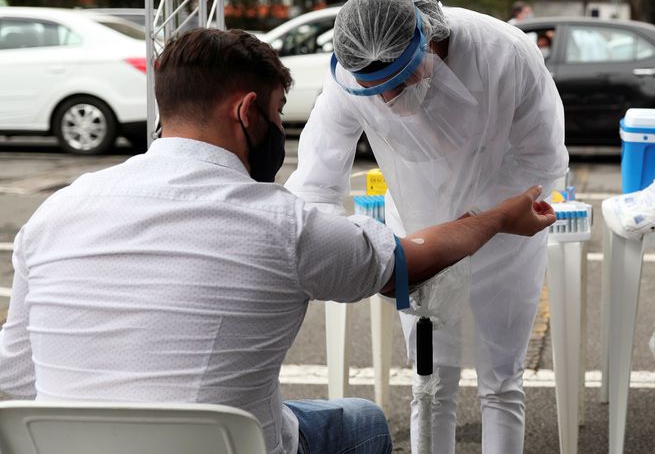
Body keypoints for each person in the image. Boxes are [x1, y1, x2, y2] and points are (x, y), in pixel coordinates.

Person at [0, 28, 557, 454]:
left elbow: (15, 383)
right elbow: (410, 262)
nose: (279, 133)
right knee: (361, 420)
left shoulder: (54, 213)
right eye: (275, 115)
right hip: (230, 442)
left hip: (72, 443)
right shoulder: (282, 225)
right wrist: (499, 217)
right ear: (246, 112)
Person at [286, 0, 568, 454]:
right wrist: (319, 252)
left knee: (501, 382)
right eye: (376, 91)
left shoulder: (504, 53)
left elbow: (543, 161)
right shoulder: (351, 78)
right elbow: (315, 182)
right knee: (429, 383)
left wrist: (485, 221)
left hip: (504, 231)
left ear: (428, 43)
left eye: (399, 83)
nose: (389, 101)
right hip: (416, 235)